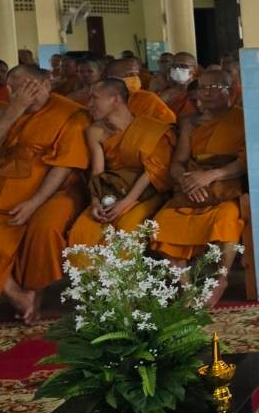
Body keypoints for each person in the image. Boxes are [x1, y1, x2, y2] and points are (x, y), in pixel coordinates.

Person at [0, 66, 89, 322]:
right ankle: (15, 294)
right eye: (21, 89)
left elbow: (64, 166)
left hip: (58, 190)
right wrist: (14, 110)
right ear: (10, 90)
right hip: (7, 188)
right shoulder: (4, 112)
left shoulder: (71, 114)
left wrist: (34, 203)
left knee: (44, 228)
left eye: (34, 87)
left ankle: (35, 291)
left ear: (48, 85)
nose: (28, 94)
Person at [151, 67, 246, 307]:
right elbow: (178, 162)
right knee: (164, 222)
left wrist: (212, 175)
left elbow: (244, 162)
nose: (206, 93)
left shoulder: (242, 118)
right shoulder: (189, 123)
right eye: (203, 87)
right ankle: (186, 287)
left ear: (231, 91)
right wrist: (186, 181)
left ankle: (220, 280)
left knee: (225, 218)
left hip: (224, 187)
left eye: (214, 87)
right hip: (192, 186)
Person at [67, 78, 176, 248]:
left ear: (116, 100)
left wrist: (126, 203)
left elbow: (152, 172)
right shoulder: (95, 131)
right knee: (84, 232)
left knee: (126, 229)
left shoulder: (152, 129)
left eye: (95, 98)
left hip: (146, 193)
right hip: (112, 190)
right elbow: (97, 173)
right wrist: (95, 202)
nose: (89, 104)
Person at [106, 59, 175, 123]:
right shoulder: (102, 99)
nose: (135, 78)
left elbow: (169, 123)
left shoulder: (147, 98)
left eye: (136, 75)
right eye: (129, 74)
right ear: (111, 77)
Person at [154, 52, 199, 118]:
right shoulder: (165, 93)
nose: (177, 69)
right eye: (174, 66)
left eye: (183, 66)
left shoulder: (201, 90)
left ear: (195, 70)